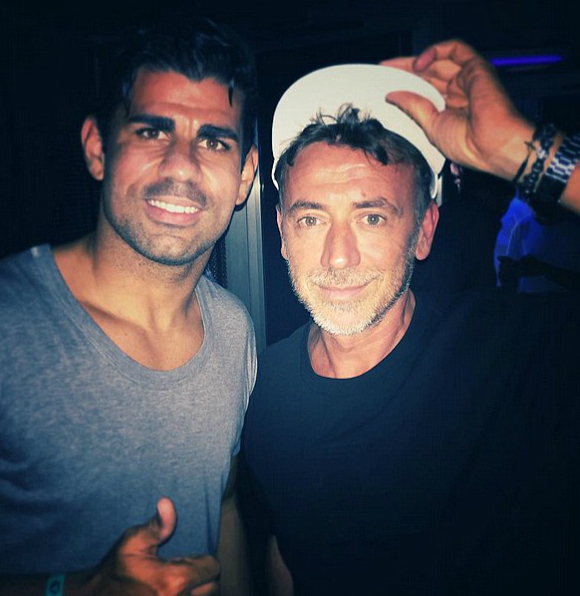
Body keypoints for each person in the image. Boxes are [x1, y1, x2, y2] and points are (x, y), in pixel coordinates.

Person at [241, 40, 580, 595]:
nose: (338, 257)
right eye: (311, 220)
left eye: (371, 217)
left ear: (423, 231)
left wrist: (523, 152)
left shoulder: (512, 354)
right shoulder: (260, 388)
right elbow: (288, 549)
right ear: (281, 232)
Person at [0, 19, 258, 596]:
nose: (182, 165)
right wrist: (77, 588)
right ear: (98, 149)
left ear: (244, 176)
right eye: (151, 131)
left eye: (214, 141)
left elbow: (225, 507)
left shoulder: (234, 330)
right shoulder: (9, 326)